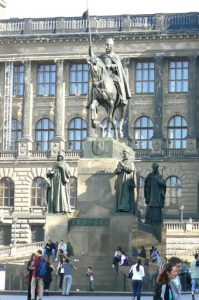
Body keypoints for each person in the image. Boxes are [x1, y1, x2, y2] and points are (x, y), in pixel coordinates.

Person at [99, 37, 131, 106]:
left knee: (118, 81)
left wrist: (110, 66)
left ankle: (122, 97)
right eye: (106, 45)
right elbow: (96, 62)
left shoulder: (115, 56)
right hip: (104, 76)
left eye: (108, 45)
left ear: (111, 46)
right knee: (94, 85)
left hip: (112, 75)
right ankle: (91, 100)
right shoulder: (102, 56)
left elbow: (119, 66)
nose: (106, 47)